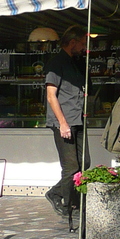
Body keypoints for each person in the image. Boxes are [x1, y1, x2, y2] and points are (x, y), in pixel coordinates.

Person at [44, 26, 88, 221]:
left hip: (77, 118)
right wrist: (62, 123)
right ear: (73, 42)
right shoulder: (57, 63)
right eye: (82, 43)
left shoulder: (75, 62)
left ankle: (60, 193)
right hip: (65, 121)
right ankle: (66, 201)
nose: (84, 48)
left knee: (84, 163)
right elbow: (51, 96)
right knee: (71, 167)